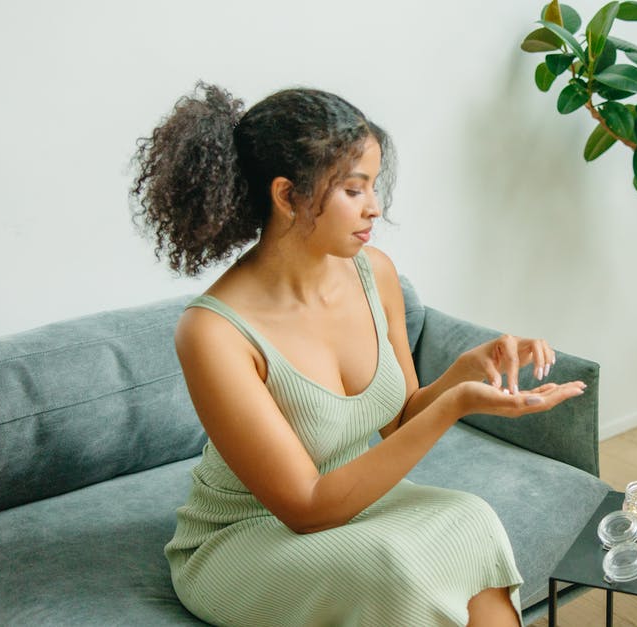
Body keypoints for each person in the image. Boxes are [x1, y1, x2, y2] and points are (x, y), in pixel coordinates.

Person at [131, 83, 586, 627]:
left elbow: (398, 420)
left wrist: (467, 371)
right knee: (389, 569)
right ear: (285, 196)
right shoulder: (213, 331)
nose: (375, 207)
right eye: (354, 189)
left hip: (354, 495)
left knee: (472, 518)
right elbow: (306, 508)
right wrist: (456, 405)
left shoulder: (377, 274)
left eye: (373, 185)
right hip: (245, 534)